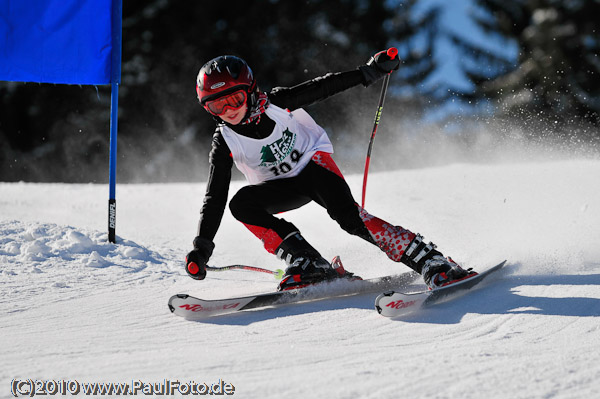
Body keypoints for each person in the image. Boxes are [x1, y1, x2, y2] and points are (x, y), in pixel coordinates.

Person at [185, 50, 475, 291]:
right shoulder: (224, 140)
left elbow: (321, 87)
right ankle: (308, 262)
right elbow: (215, 196)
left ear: (250, 91)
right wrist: (202, 247)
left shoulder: (277, 103)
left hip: (314, 166)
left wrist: (368, 72)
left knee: (348, 217)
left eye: (234, 100)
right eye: (217, 106)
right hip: (282, 187)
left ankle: (430, 260)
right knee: (241, 204)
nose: (229, 111)